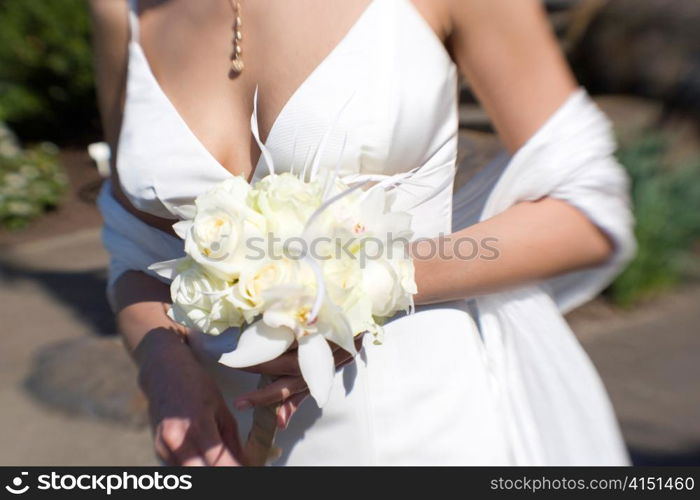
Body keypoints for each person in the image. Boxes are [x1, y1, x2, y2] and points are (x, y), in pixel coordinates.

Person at [90, 0, 635, 465]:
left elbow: (584, 209)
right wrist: (161, 363)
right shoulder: (124, 9)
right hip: (221, 445)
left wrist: (359, 286)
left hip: (419, 429)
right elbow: (136, 251)